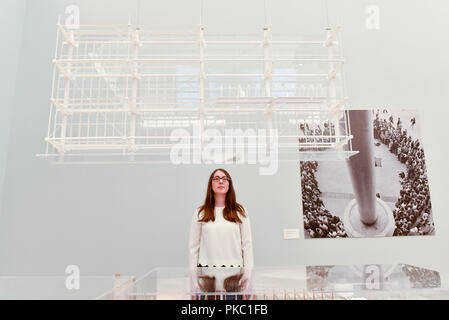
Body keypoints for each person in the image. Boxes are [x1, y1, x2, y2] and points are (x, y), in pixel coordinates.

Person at [189, 168, 254, 269]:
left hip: (235, 272)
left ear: (229, 184)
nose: (220, 181)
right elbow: (193, 247)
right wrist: (193, 274)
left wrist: (248, 273)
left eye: (224, 178)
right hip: (207, 273)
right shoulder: (200, 213)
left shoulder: (240, 211)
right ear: (211, 184)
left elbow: (247, 245)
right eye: (216, 178)